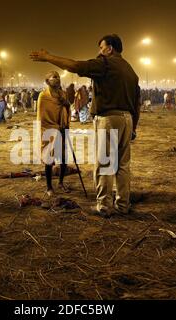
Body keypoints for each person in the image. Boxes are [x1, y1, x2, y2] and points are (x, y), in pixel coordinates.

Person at [31, 34, 141, 217]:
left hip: (109, 118)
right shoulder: (130, 70)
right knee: (122, 165)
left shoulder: (106, 64)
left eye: (101, 47)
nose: (99, 51)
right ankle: (123, 205)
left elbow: (76, 66)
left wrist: (48, 57)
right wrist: (134, 128)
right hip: (127, 119)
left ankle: (104, 206)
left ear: (110, 48)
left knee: (105, 163)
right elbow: (137, 103)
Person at [37, 71, 71, 196]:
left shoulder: (63, 94)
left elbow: (67, 109)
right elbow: (43, 118)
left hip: (63, 129)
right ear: (47, 81)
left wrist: (66, 105)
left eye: (58, 77)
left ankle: (61, 183)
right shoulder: (43, 96)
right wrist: (56, 128)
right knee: (49, 159)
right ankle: (49, 187)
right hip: (49, 131)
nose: (57, 79)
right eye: (54, 77)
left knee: (63, 158)